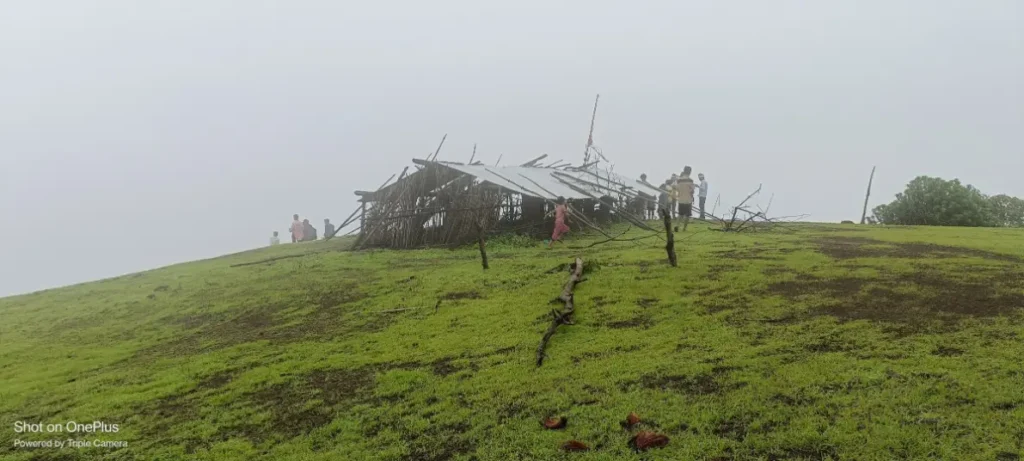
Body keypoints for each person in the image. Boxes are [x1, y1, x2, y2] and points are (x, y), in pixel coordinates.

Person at [674, 167, 696, 232]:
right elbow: (692, 190)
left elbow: (675, 187)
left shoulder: (679, 180)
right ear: (690, 172)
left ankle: (677, 225)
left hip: (681, 199)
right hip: (688, 200)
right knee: (687, 215)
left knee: (680, 214)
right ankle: (684, 228)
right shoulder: (690, 180)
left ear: (684, 171)